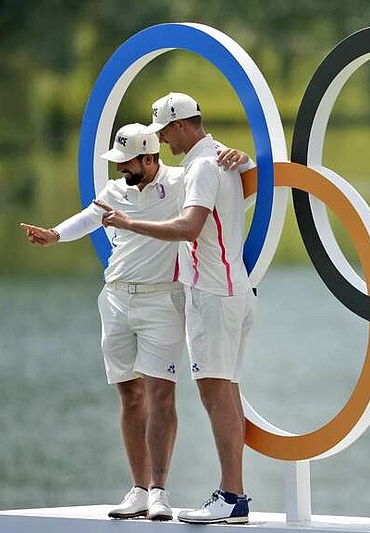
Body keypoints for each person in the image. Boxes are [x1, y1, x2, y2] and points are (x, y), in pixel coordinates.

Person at [20, 123, 248, 522]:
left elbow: (216, 166)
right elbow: (88, 218)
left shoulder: (181, 180)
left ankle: (160, 492)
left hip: (162, 300)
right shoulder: (114, 190)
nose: (122, 170)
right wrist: (55, 234)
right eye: (118, 163)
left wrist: (240, 156)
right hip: (115, 298)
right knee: (130, 395)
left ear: (149, 158)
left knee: (161, 395)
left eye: (128, 163)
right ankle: (139, 490)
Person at [96, 92, 257, 525]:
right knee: (223, 391)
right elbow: (239, 187)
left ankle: (233, 496)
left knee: (215, 393)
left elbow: (190, 226)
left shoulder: (204, 165)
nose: (162, 140)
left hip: (212, 294)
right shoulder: (214, 158)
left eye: (165, 131)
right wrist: (244, 162)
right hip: (226, 291)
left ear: (183, 125)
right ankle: (232, 493)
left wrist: (129, 223)